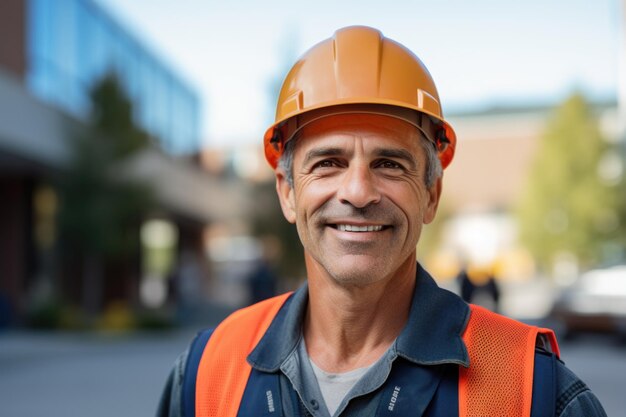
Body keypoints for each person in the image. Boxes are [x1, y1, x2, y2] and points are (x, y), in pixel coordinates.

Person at [157, 26, 606, 417]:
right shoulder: (207, 371)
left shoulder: (533, 392)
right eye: (329, 162)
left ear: (431, 194)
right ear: (287, 191)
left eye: (390, 164)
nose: (357, 192)